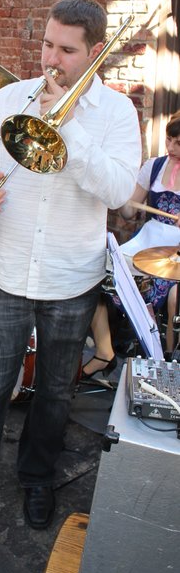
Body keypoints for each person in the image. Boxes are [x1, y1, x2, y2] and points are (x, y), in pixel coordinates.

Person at [0, 0, 141, 536]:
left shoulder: (116, 113)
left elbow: (118, 193)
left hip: (71, 278)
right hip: (6, 272)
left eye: (66, 50)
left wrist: (69, 127)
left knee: (57, 392)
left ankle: (38, 477)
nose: (50, 60)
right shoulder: (10, 97)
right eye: (46, 44)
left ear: (94, 54)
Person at [83, 109, 180, 377]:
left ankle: (164, 361)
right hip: (148, 242)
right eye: (169, 140)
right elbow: (128, 212)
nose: (171, 147)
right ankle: (104, 351)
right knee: (96, 274)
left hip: (176, 251)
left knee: (170, 293)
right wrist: (122, 196)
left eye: (178, 143)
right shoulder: (154, 167)